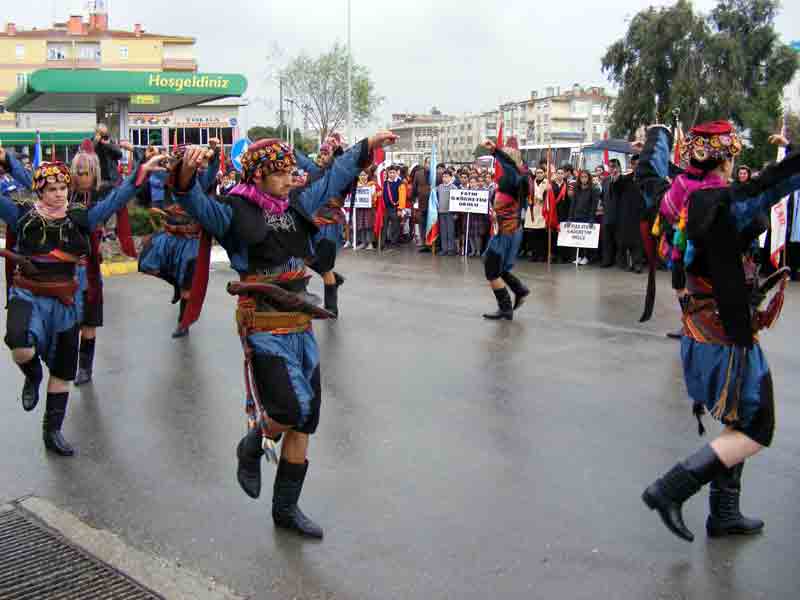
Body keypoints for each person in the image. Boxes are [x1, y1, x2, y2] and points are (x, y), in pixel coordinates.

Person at [172, 132, 397, 539]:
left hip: (300, 323)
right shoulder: (232, 211)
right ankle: (252, 444)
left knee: (306, 420)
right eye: (279, 173)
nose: (289, 177)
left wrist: (366, 146)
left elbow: (330, 180)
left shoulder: (295, 204)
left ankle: (285, 510)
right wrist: (187, 169)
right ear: (257, 175)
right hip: (263, 325)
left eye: (289, 170)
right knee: (288, 410)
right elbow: (192, 200)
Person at [637, 121, 800, 542]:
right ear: (725, 158)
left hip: (702, 332)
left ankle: (724, 514)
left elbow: (648, 174)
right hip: (725, 339)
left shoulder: (672, 196)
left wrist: (657, 135)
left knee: (739, 422)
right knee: (756, 427)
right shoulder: (727, 202)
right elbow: (781, 179)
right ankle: (670, 489)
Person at [0, 148, 164, 455]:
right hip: (28, 294)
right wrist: (7, 159)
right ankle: (33, 376)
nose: (60, 194)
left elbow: (115, 200)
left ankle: (52, 432)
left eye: (63, 188)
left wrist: (141, 170)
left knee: (63, 372)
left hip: (66, 301)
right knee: (19, 344)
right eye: (52, 189)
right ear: (40, 191)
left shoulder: (81, 217)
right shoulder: (22, 214)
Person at [138, 141, 221, 338]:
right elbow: (148, 171)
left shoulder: (203, 179)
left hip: (191, 241)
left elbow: (214, 167)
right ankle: (175, 283)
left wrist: (216, 152)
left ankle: (183, 323)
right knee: (148, 262)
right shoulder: (170, 176)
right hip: (170, 237)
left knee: (187, 287)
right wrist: (146, 157)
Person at [481, 139, 530, 320]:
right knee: (496, 267)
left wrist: (495, 151)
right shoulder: (519, 176)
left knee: (491, 270)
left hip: (506, 231)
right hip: (509, 228)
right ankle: (519, 290)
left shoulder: (513, 175)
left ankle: (506, 307)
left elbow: (508, 165)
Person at [615, 154, 646, 273]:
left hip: (641, 214)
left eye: (639, 164)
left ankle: (638, 264)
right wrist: (616, 178)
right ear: (631, 165)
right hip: (626, 214)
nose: (637, 167)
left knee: (638, 241)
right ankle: (626, 263)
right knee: (626, 240)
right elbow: (616, 190)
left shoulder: (646, 179)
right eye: (635, 164)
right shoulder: (625, 178)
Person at [568, 170, 601, 265]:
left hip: (587, 217)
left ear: (589, 178)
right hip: (576, 216)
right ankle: (579, 256)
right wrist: (570, 217)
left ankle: (586, 257)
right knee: (578, 239)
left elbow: (594, 206)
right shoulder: (576, 189)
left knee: (586, 239)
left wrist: (591, 218)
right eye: (582, 177)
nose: (583, 179)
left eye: (585, 177)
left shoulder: (593, 189)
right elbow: (573, 204)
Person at [600, 158, 622, 267]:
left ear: (618, 167)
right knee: (607, 239)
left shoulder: (623, 179)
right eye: (610, 166)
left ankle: (620, 261)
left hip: (619, 214)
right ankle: (607, 260)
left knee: (619, 239)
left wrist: (617, 179)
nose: (612, 168)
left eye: (614, 166)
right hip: (607, 213)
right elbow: (603, 195)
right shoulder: (605, 180)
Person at [525, 167, 549, 262]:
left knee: (542, 234)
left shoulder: (547, 183)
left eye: (541, 172)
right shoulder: (531, 183)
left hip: (542, 210)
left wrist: (540, 197)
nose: (539, 174)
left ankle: (542, 255)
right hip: (532, 209)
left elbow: (547, 196)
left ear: (544, 173)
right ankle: (534, 254)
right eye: (537, 172)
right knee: (533, 234)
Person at [380, 165, 403, 248]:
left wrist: (400, 209)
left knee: (395, 226)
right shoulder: (385, 183)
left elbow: (402, 197)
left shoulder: (400, 183)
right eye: (390, 173)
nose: (392, 174)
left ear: (396, 173)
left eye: (393, 173)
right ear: (388, 173)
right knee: (384, 226)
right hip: (385, 208)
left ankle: (394, 242)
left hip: (395, 208)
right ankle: (382, 242)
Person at [436, 169, 458, 255]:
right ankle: (444, 249)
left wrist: (456, 213)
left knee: (450, 231)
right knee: (443, 231)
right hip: (441, 212)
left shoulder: (454, 187)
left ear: (451, 177)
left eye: (446, 177)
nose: (444, 178)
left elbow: (456, 202)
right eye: (443, 176)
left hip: (450, 212)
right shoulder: (440, 187)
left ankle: (451, 249)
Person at [413, 158, 432, 252]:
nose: (429, 164)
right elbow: (414, 187)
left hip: (432, 205)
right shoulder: (418, 173)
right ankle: (424, 244)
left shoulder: (437, 174)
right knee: (422, 224)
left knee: (432, 224)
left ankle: (432, 244)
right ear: (424, 164)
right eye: (428, 163)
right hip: (422, 203)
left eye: (431, 163)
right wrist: (414, 199)